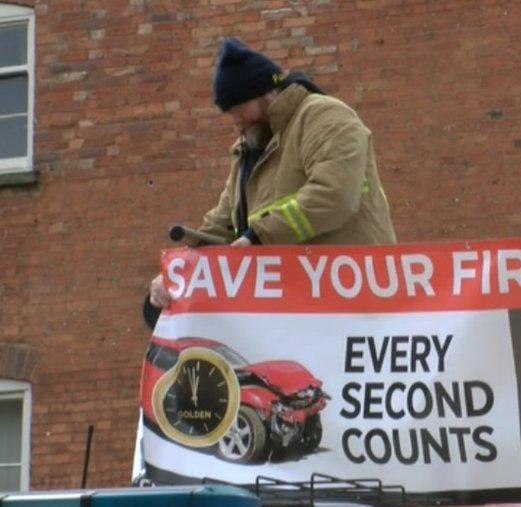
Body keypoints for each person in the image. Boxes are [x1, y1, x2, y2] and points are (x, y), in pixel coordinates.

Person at [145, 38, 396, 321]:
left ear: (267, 93)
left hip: (352, 302)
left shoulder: (325, 117)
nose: (236, 119)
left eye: (239, 106)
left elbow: (334, 195)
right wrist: (177, 273)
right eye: (228, 111)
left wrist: (258, 237)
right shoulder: (249, 149)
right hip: (293, 310)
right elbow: (222, 225)